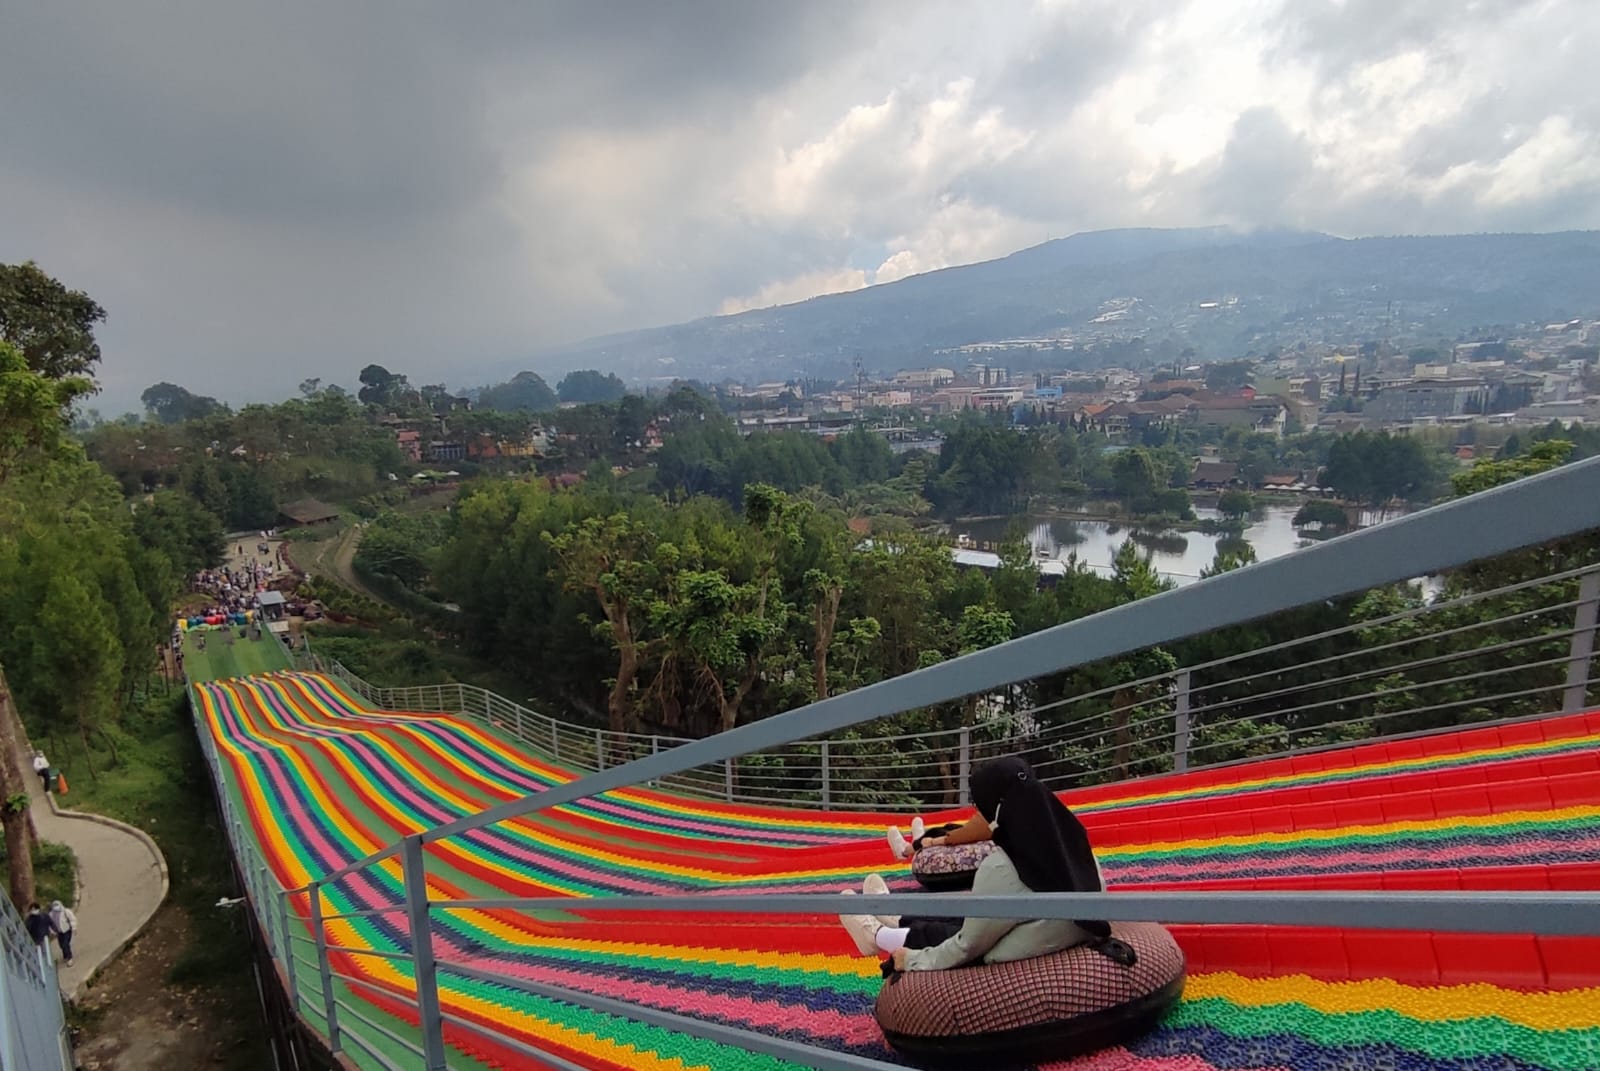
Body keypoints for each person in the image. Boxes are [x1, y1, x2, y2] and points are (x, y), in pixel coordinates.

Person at [839, 756, 1110, 972]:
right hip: (1040, 931)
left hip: (1009, 953)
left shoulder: (1002, 869)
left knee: (955, 929)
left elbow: (965, 947)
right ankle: (895, 918)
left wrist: (911, 960)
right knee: (969, 913)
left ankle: (877, 936)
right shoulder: (1075, 847)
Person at [49, 901, 77, 965]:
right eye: (54, 906)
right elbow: (50, 924)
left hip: (66, 930)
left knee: (65, 944)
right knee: (61, 945)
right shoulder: (51, 914)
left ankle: (70, 958)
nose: (56, 907)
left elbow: (72, 919)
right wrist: (52, 932)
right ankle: (65, 955)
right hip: (59, 932)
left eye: (57, 905)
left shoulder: (66, 911)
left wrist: (74, 928)